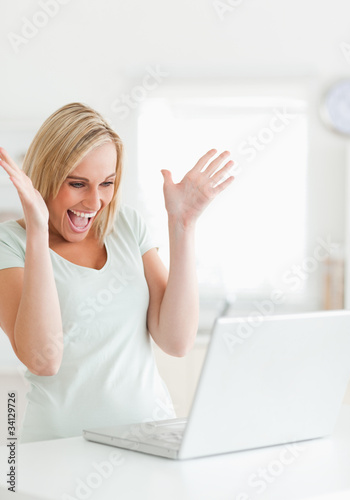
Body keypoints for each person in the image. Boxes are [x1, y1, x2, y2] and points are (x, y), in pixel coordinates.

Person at [0, 102, 235, 443]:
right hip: (58, 448)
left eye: (107, 183)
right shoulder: (11, 243)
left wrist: (183, 224)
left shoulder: (126, 226)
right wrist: (37, 230)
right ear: (45, 177)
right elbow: (43, 359)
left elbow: (177, 341)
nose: (95, 202)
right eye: (77, 184)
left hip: (148, 438)